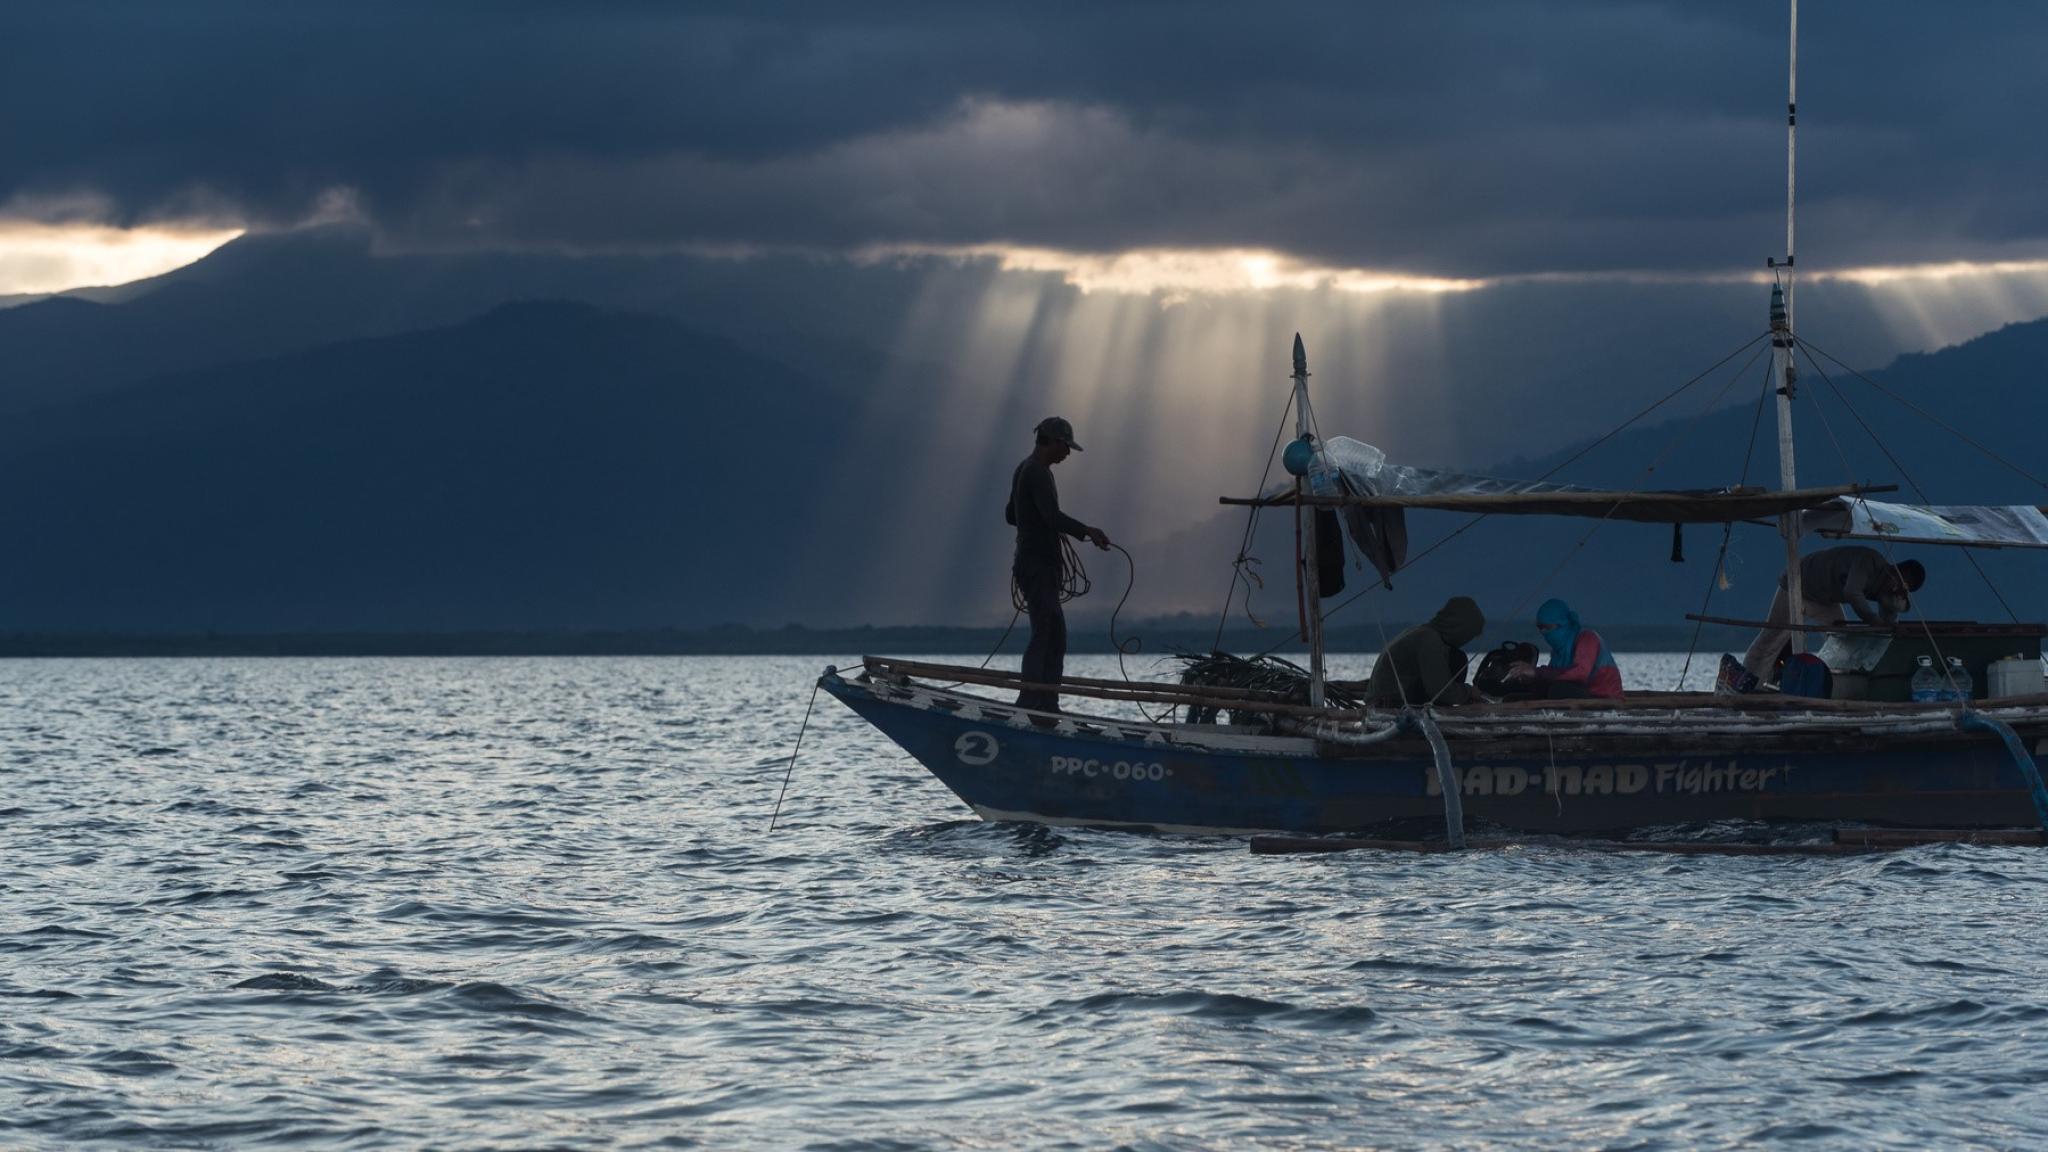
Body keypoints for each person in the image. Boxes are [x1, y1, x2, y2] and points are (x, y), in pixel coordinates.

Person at [1005, 417, 1110, 712]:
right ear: (1052, 441)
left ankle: (1046, 704)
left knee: (1054, 635)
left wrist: (1032, 521)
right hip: (1038, 565)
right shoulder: (1037, 473)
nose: (1067, 454)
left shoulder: (1024, 469)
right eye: (1066, 447)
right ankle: (1031, 704)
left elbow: (1011, 515)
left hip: (1031, 562)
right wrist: (1088, 530)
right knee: (1045, 632)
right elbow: (1051, 517)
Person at [1739, 546, 1925, 682]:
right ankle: (1747, 681)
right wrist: (1873, 620)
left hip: (1825, 600)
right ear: (1895, 569)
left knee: (1841, 637)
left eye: (1907, 587)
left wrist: (1894, 617)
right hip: (1799, 582)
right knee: (1773, 636)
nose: (1899, 586)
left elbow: (1888, 618)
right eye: (1902, 580)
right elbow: (1852, 592)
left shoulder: (1888, 589)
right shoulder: (1869, 561)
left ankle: (1838, 685)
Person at [1364, 596, 1485, 707]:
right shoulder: (1429, 641)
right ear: (1459, 628)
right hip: (1389, 703)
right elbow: (1441, 691)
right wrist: (1469, 692)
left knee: (1456, 657)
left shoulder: (1419, 632)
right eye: (1469, 635)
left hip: (1384, 696)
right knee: (1458, 659)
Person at [1509, 597, 1623, 699]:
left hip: (1602, 696)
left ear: (1562, 624)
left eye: (1547, 627)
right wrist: (1529, 677)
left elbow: (1580, 674)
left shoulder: (1587, 638)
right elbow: (1552, 674)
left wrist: (1537, 673)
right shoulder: (1558, 651)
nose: (1543, 632)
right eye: (1540, 627)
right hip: (1578, 692)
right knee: (1526, 689)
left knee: (1558, 690)